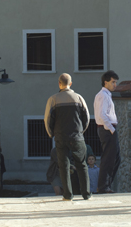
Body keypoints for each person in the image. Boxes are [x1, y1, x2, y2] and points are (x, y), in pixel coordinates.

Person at [44, 73, 92, 201]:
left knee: (63, 166)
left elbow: (47, 120)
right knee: (82, 165)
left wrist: (51, 134)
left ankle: (67, 195)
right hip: (77, 136)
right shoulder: (79, 98)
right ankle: (86, 194)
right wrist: (81, 131)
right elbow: (86, 118)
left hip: (60, 137)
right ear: (70, 84)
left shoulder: (53, 99)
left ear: (59, 83)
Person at [93, 70, 120, 194]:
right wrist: (111, 129)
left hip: (108, 129)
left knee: (115, 158)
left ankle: (106, 185)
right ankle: (104, 186)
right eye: (113, 82)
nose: (115, 85)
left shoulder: (106, 95)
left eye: (115, 82)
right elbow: (102, 115)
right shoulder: (103, 95)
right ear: (106, 82)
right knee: (109, 158)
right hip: (107, 129)